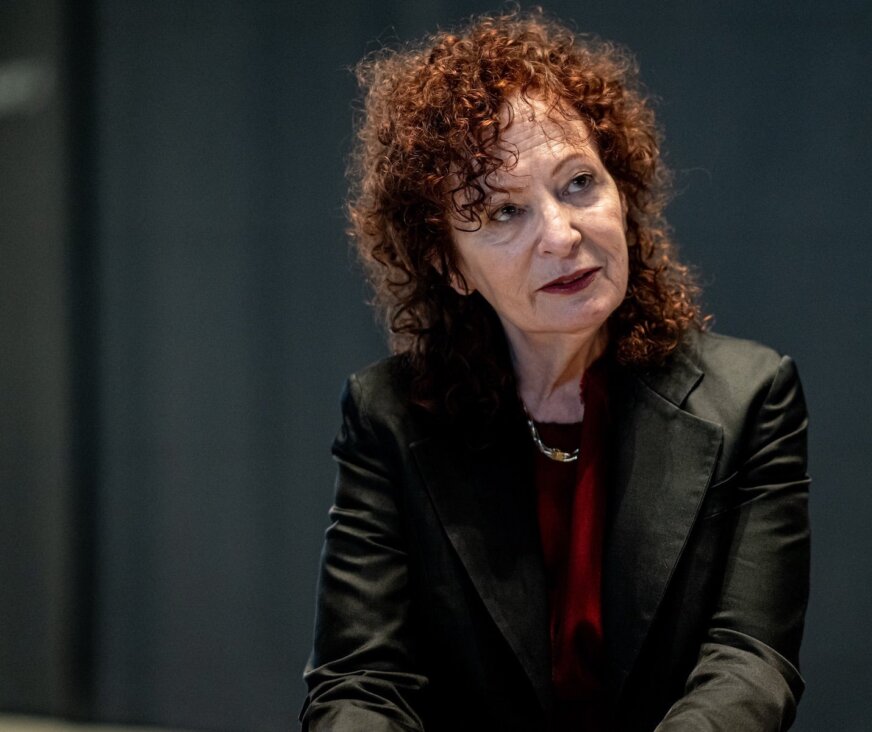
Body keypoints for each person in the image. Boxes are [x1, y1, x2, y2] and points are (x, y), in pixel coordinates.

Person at [302, 9, 810, 731]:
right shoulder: (386, 416)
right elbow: (361, 684)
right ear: (449, 264)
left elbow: (749, 660)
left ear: (622, 191)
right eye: (504, 212)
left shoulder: (751, 396)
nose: (562, 235)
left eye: (577, 184)